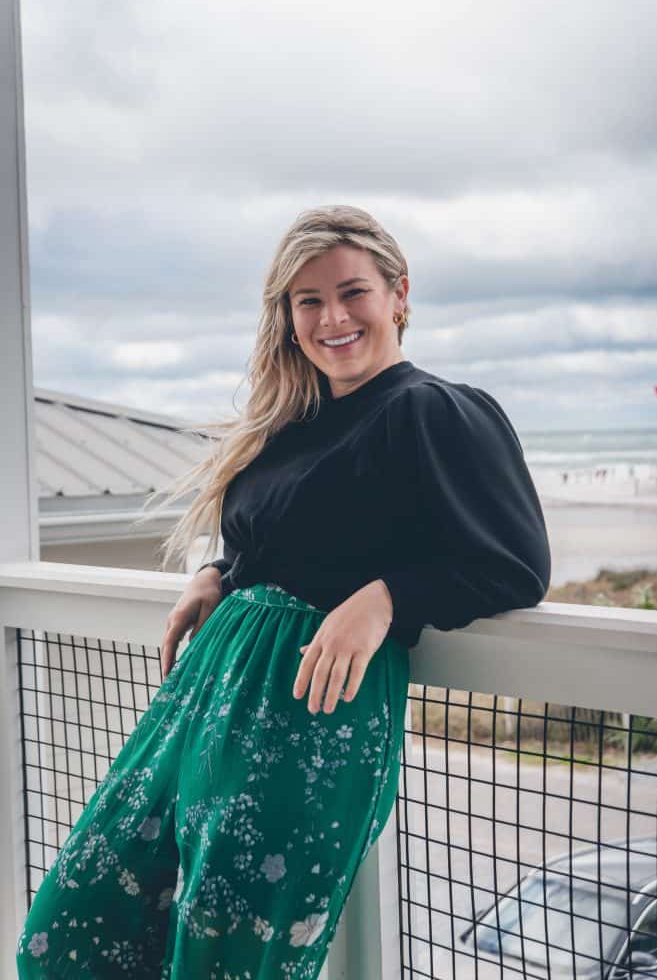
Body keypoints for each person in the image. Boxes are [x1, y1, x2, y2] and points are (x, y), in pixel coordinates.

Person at [16, 205, 551, 979]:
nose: (332, 316)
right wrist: (222, 574)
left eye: (352, 291)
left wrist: (388, 598)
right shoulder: (295, 422)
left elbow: (516, 564)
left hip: (307, 728)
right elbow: (295, 535)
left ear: (399, 295)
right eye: (308, 300)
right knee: (71, 927)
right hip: (204, 704)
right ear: (287, 315)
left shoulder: (434, 409)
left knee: (223, 962)